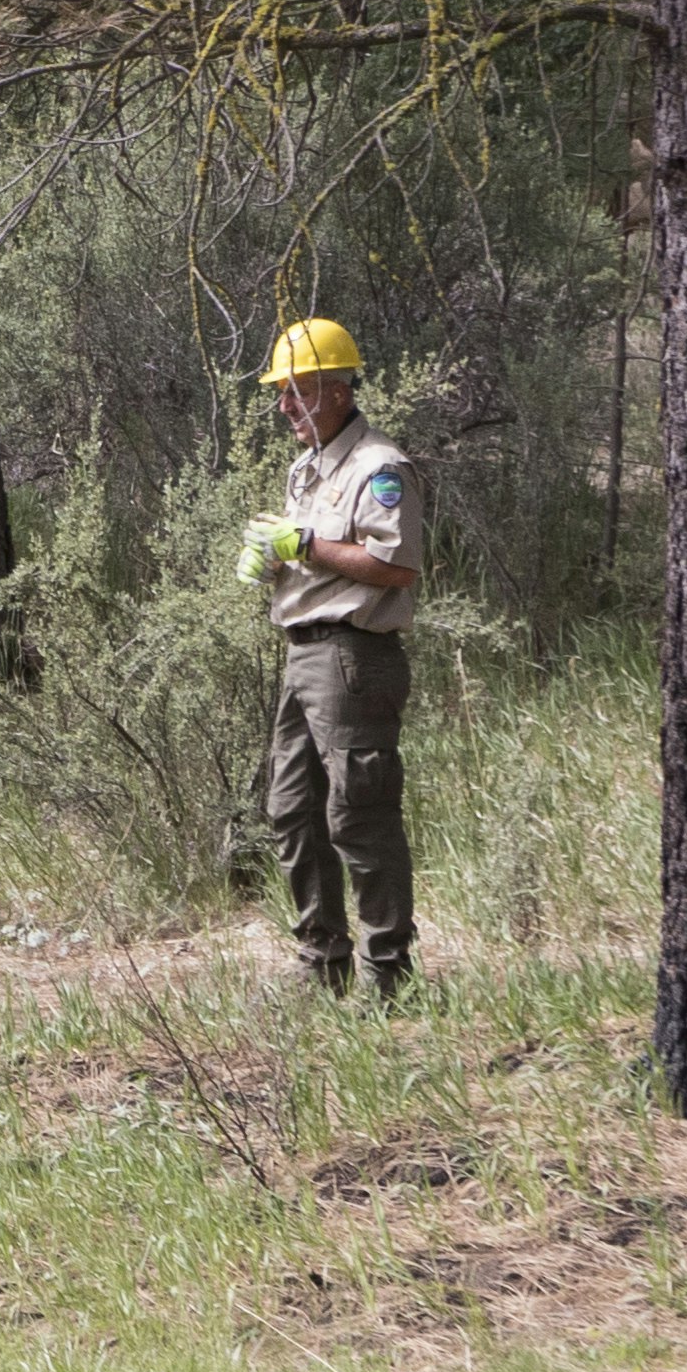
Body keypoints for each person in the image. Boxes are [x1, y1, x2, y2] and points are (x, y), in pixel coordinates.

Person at [243, 317, 421, 996]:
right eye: (282, 393)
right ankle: (323, 969)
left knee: (359, 815)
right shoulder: (309, 466)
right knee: (292, 811)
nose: (286, 406)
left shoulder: (381, 468)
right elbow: (312, 554)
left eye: (299, 391)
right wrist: (275, 558)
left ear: (340, 390)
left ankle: (388, 981)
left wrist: (306, 548)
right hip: (301, 654)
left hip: (353, 657)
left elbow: (396, 566)